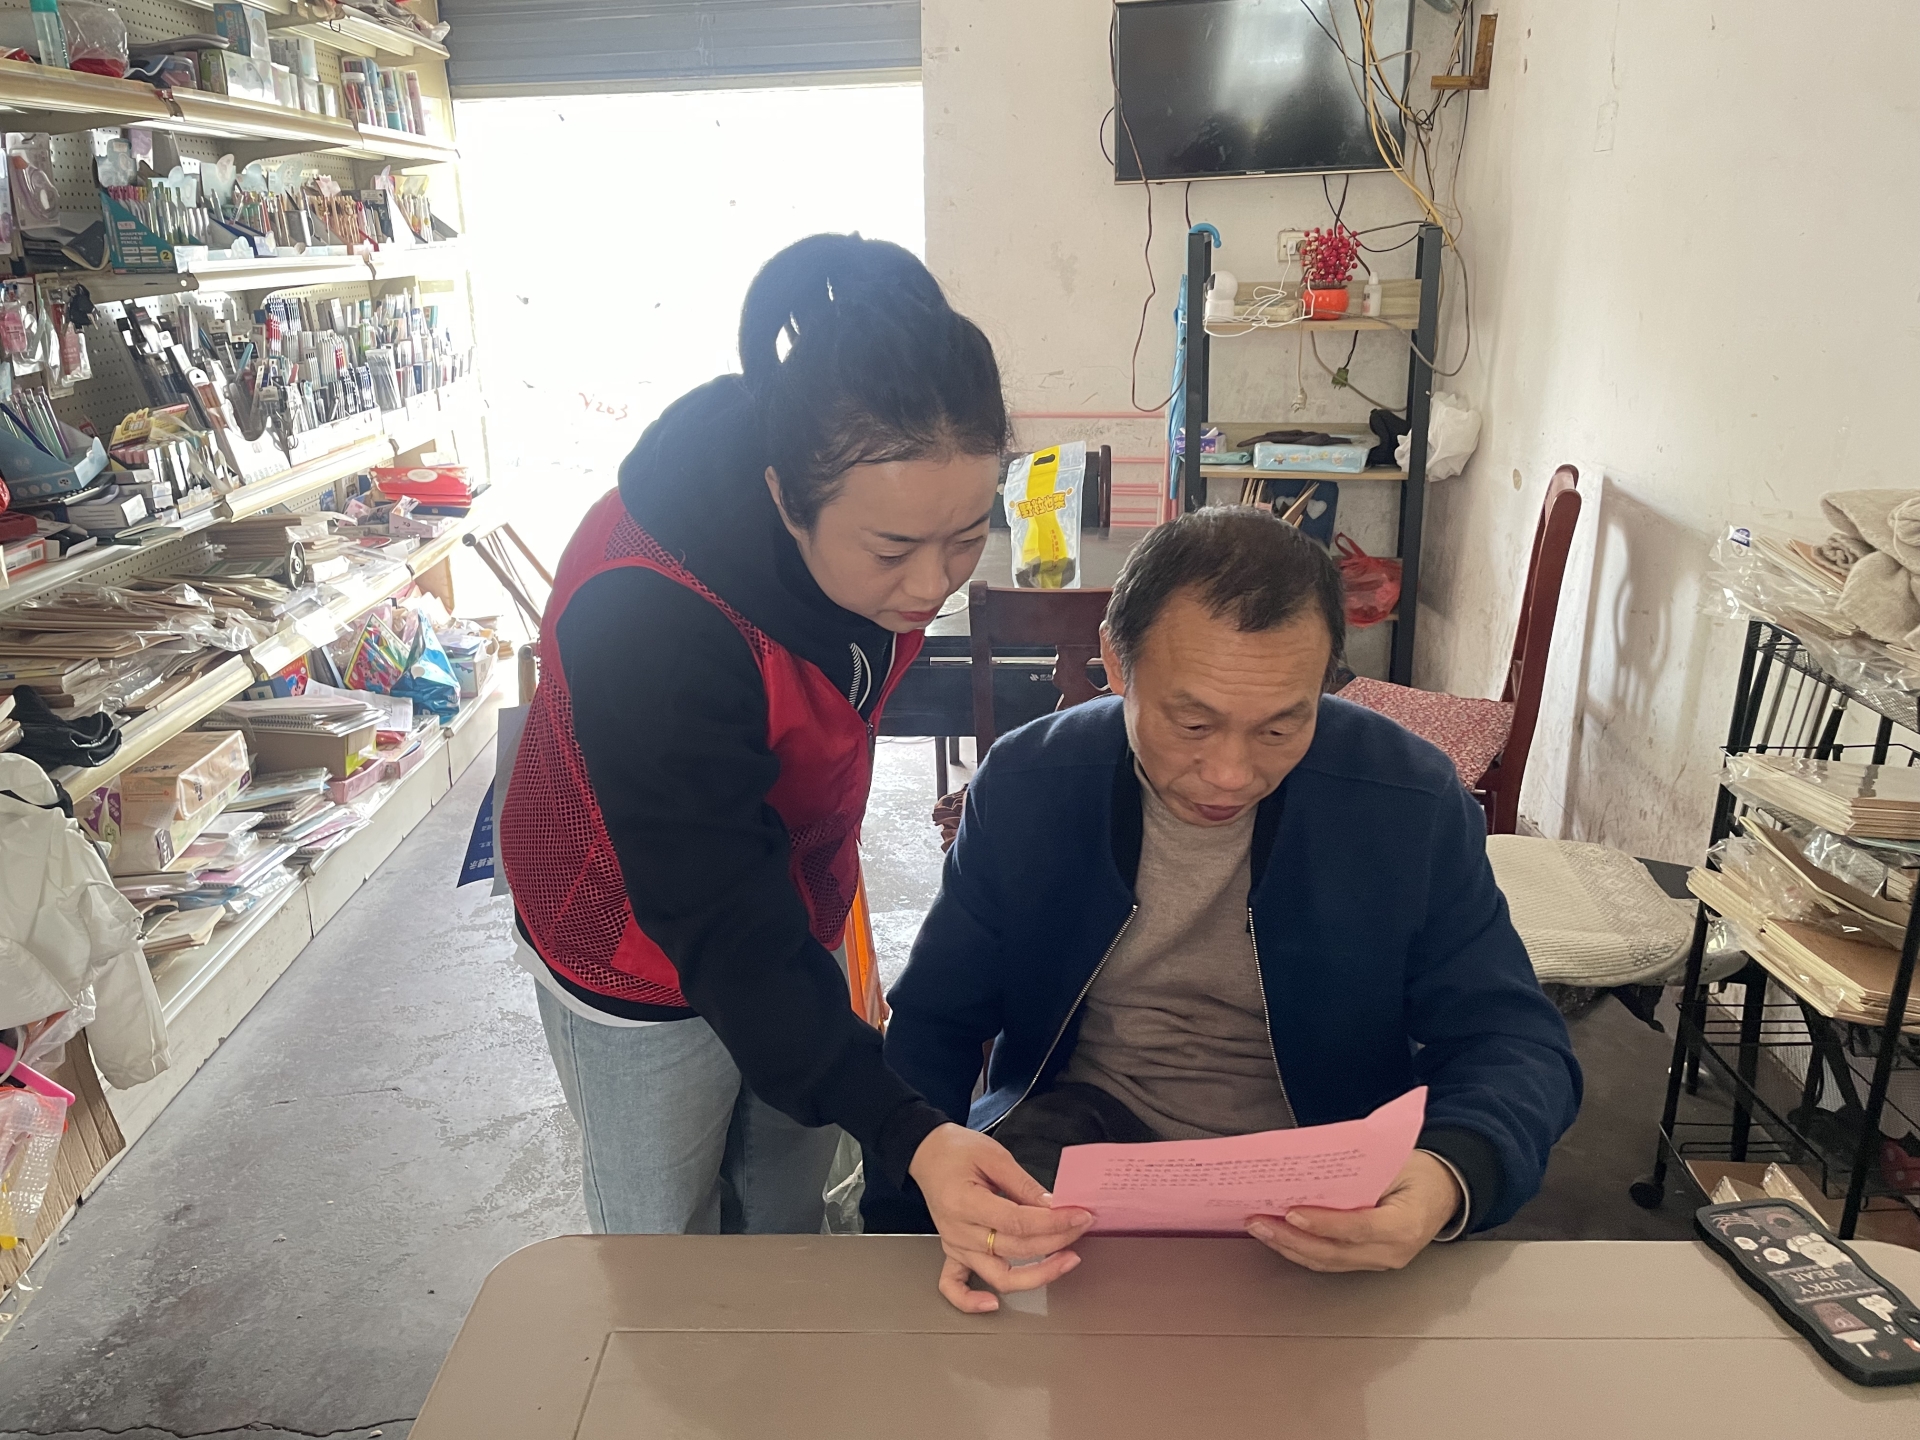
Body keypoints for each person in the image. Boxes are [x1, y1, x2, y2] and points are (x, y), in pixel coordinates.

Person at [499, 235, 1088, 1299]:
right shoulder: (647, 619)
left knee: (790, 1220)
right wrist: (913, 1131)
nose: (934, 586)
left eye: (966, 537)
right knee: (664, 1248)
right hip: (633, 930)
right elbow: (724, 927)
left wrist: (865, 1090)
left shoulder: (874, 518)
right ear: (785, 498)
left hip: (789, 885)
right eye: (893, 551)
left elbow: (778, 955)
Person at [865, 507, 1582, 1309]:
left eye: (1281, 726)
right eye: (1194, 722)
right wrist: (904, 1227)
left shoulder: (1406, 798)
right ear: (1115, 662)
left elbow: (1513, 1039)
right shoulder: (1033, 783)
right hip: (1074, 1143)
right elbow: (935, 1020)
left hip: (1329, 1161)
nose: (1232, 774)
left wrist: (1448, 1174)